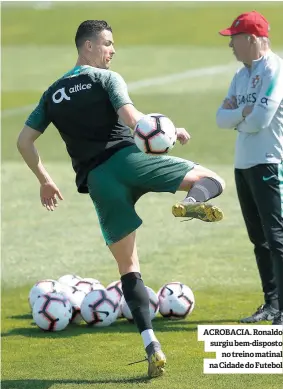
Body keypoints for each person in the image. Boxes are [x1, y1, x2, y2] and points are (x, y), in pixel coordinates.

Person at [17, 20, 225, 377]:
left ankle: (151, 346)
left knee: (129, 268)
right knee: (211, 180)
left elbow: (23, 141)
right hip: (131, 163)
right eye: (107, 44)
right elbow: (137, 123)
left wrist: (46, 181)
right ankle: (192, 205)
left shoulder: (52, 94)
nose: (112, 50)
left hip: (99, 181)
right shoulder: (106, 79)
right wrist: (172, 133)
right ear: (88, 47)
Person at [216, 11, 283, 326]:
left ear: (252, 39)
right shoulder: (240, 75)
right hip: (243, 164)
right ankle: (272, 305)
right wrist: (244, 112)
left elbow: (259, 120)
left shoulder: (275, 68)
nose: (230, 46)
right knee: (260, 240)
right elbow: (220, 118)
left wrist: (240, 115)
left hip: (269, 161)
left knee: (278, 237)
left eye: (234, 39)